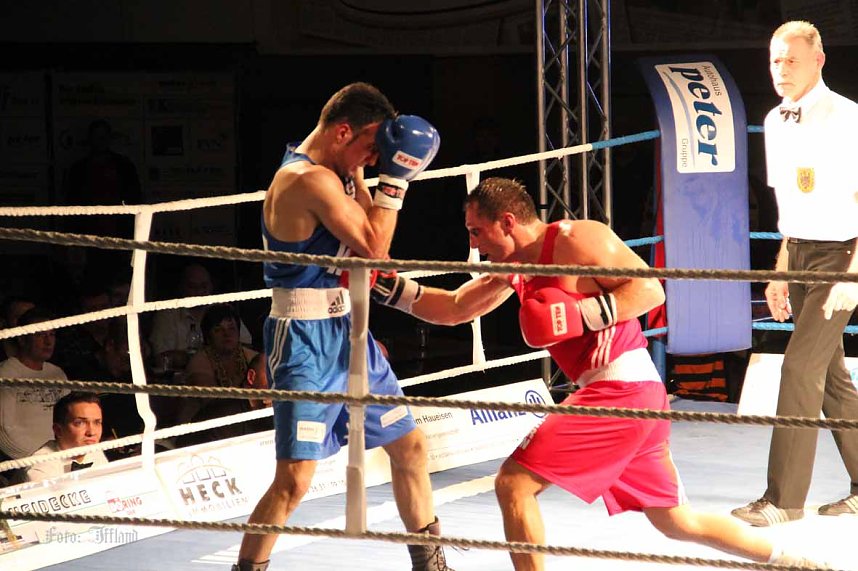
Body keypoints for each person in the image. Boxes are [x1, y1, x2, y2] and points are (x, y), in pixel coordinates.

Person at [370, 177, 831, 570]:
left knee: (513, 484)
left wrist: (583, 315)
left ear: (507, 222)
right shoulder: (514, 267)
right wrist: (383, 285)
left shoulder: (576, 239)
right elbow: (452, 309)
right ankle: (794, 561)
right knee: (676, 521)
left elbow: (649, 290)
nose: (473, 243)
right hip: (626, 393)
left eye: (477, 230)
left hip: (621, 388)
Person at [233, 82, 446, 571]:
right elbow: (376, 247)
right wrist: (399, 178)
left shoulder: (341, 171)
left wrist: (380, 181)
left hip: (349, 329)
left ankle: (431, 565)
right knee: (295, 480)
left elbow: (372, 245)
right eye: (372, 149)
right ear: (343, 131)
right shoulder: (307, 181)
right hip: (304, 337)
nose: (374, 161)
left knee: (409, 445)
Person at [731, 20, 858, 526]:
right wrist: (779, 272)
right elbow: (791, 202)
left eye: (791, 59)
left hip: (842, 256)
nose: (780, 69)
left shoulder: (846, 117)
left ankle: (784, 501)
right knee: (831, 378)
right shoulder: (774, 118)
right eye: (774, 60)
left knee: (799, 368)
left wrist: (853, 275)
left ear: (818, 60)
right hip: (801, 252)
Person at [173, 303, 260, 447]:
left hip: (241, 428)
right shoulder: (200, 361)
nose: (227, 334)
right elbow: (211, 402)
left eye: (232, 328)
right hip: (202, 432)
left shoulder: (251, 357)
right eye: (218, 330)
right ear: (208, 336)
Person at [148, 262, 253, 372]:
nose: (199, 291)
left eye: (203, 286)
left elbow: (247, 348)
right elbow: (160, 359)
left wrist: (186, 357)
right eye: (192, 286)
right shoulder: (167, 315)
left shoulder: (224, 310)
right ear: (181, 287)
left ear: (211, 286)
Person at [0, 307, 69, 462]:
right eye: (40, 334)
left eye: (52, 334)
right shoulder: (7, 373)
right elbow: (4, 431)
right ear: (22, 338)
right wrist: (39, 459)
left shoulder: (57, 373)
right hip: (27, 463)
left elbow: (70, 418)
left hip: (61, 457)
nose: (48, 341)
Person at [21, 392, 109, 482]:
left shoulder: (93, 449)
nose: (92, 432)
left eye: (97, 422)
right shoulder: (39, 470)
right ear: (58, 430)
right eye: (80, 423)